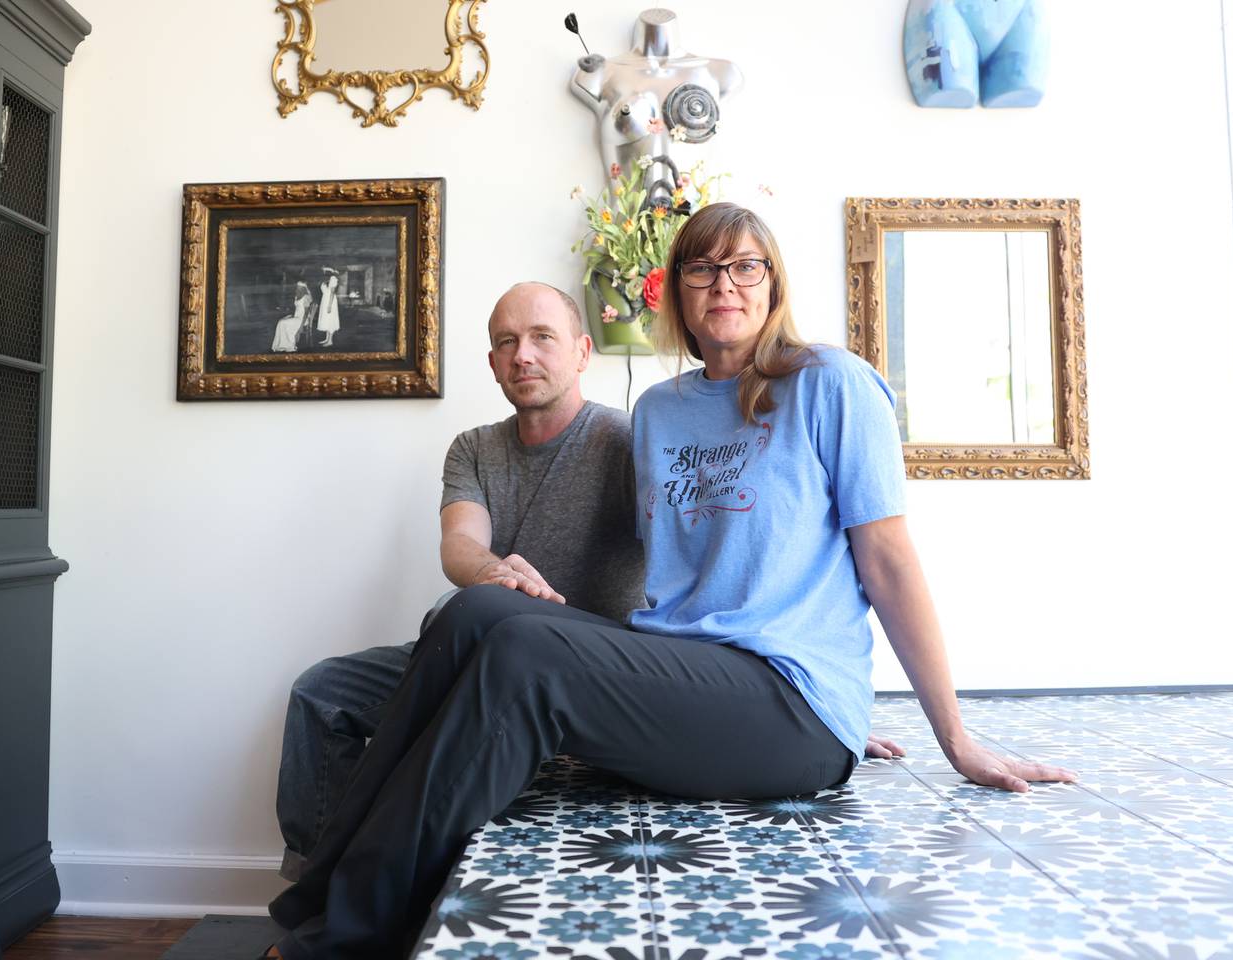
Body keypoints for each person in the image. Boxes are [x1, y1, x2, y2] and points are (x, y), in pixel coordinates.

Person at [265, 206, 1071, 959]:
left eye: (746, 267)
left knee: (524, 662)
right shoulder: (658, 411)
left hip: (787, 697)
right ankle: (315, 894)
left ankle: (343, 939)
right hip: (700, 679)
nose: (724, 284)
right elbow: (676, 581)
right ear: (676, 295)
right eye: (702, 269)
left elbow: (889, 565)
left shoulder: (832, 383)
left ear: (773, 285)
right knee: (474, 610)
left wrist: (942, 734)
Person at [274, 281, 645, 881]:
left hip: (589, 662)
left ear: (581, 352)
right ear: (494, 363)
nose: (523, 354)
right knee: (321, 692)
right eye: (507, 342)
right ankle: (315, 887)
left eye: (542, 337)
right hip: (480, 649)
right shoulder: (472, 448)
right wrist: (495, 572)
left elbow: (692, 557)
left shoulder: (626, 441)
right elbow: (459, 544)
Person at [270, 281, 313, 353]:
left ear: (303, 288)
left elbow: (306, 313)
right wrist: (292, 315)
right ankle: (280, 345)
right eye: (297, 287)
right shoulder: (297, 296)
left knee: (283, 323)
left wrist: (301, 328)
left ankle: (289, 345)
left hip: (302, 319)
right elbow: (297, 308)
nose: (297, 289)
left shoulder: (306, 298)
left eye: (299, 288)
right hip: (296, 317)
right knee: (280, 322)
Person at [316, 269, 341, 347]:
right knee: (327, 319)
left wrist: (329, 305)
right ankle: (327, 339)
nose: (323, 271)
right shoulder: (325, 280)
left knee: (330, 320)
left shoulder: (333, 278)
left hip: (330, 301)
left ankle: (330, 341)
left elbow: (332, 293)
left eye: (324, 270)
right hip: (325, 300)